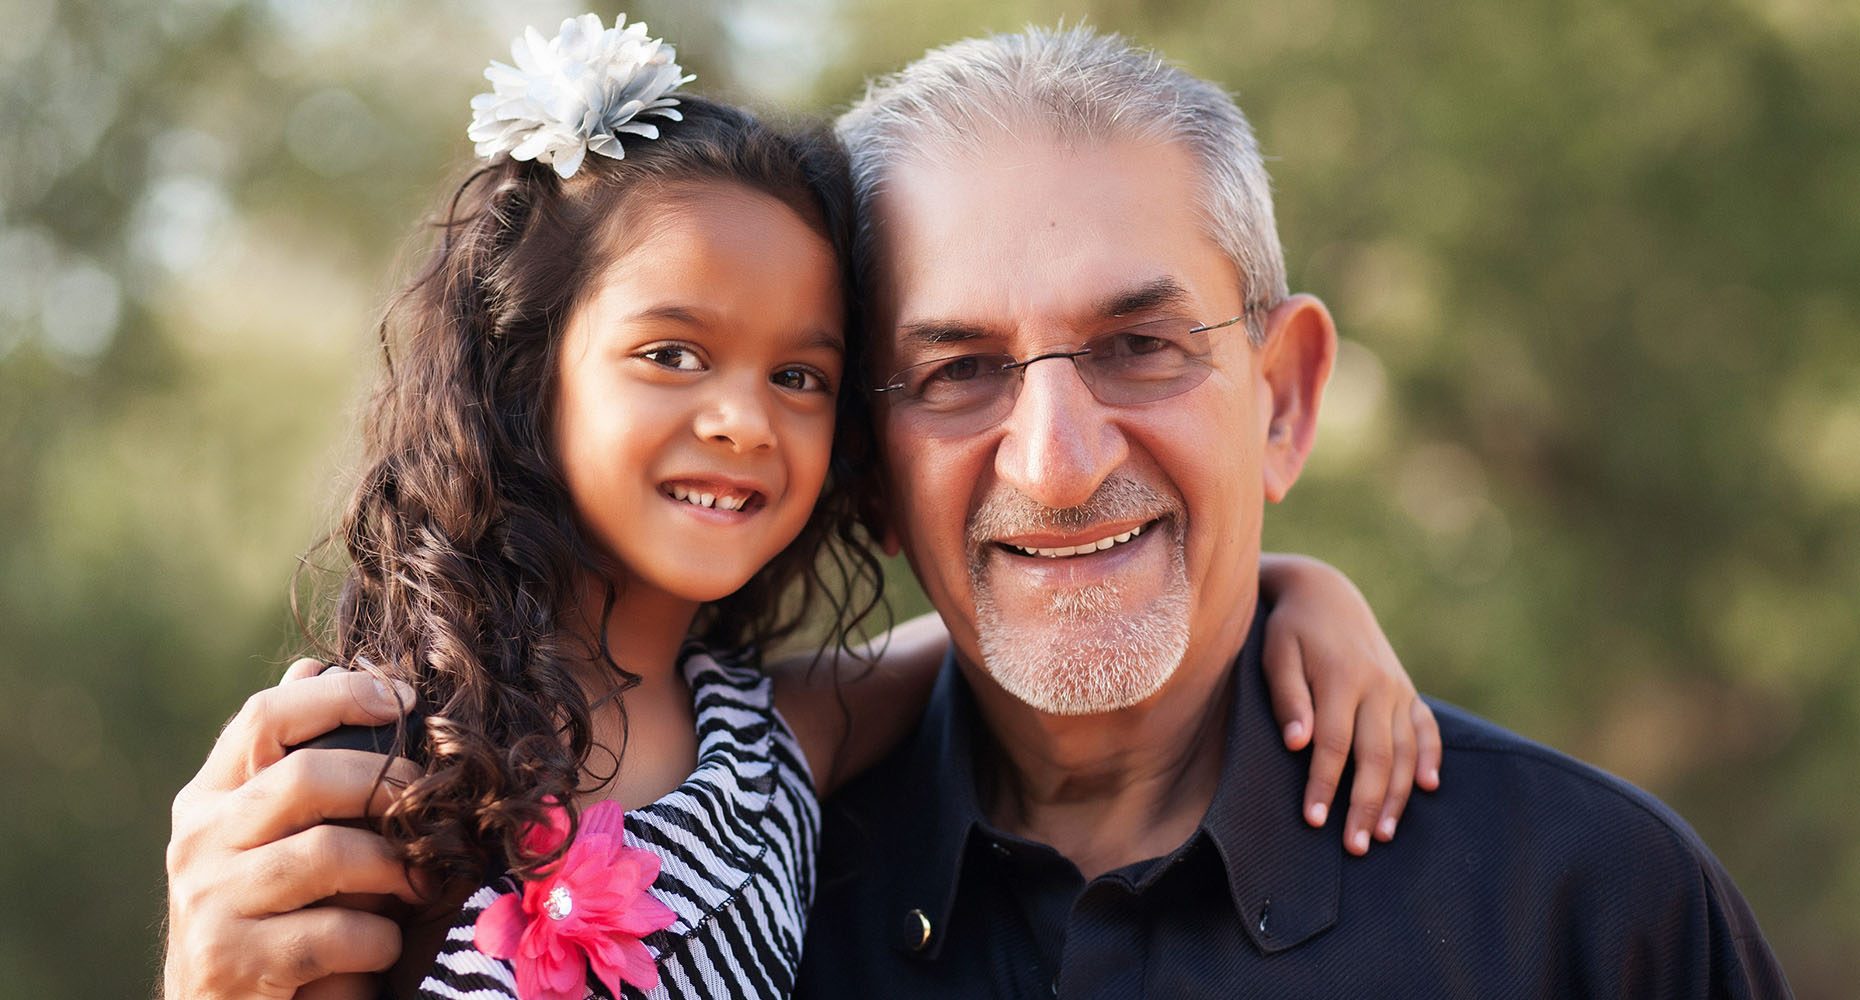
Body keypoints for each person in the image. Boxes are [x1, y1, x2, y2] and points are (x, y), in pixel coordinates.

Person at [161, 16, 1444, 1000]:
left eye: (800, 376)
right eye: (672, 353)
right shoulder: (401, 758)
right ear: (521, 372)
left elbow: (1043, 606)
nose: (742, 417)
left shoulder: (773, 741)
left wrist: (1291, 589)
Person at [792, 26, 1791, 998]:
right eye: (959, 370)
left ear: (1285, 396)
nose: (1057, 465)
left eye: (1139, 345)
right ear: (866, 471)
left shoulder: (1590, 907)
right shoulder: (742, 904)